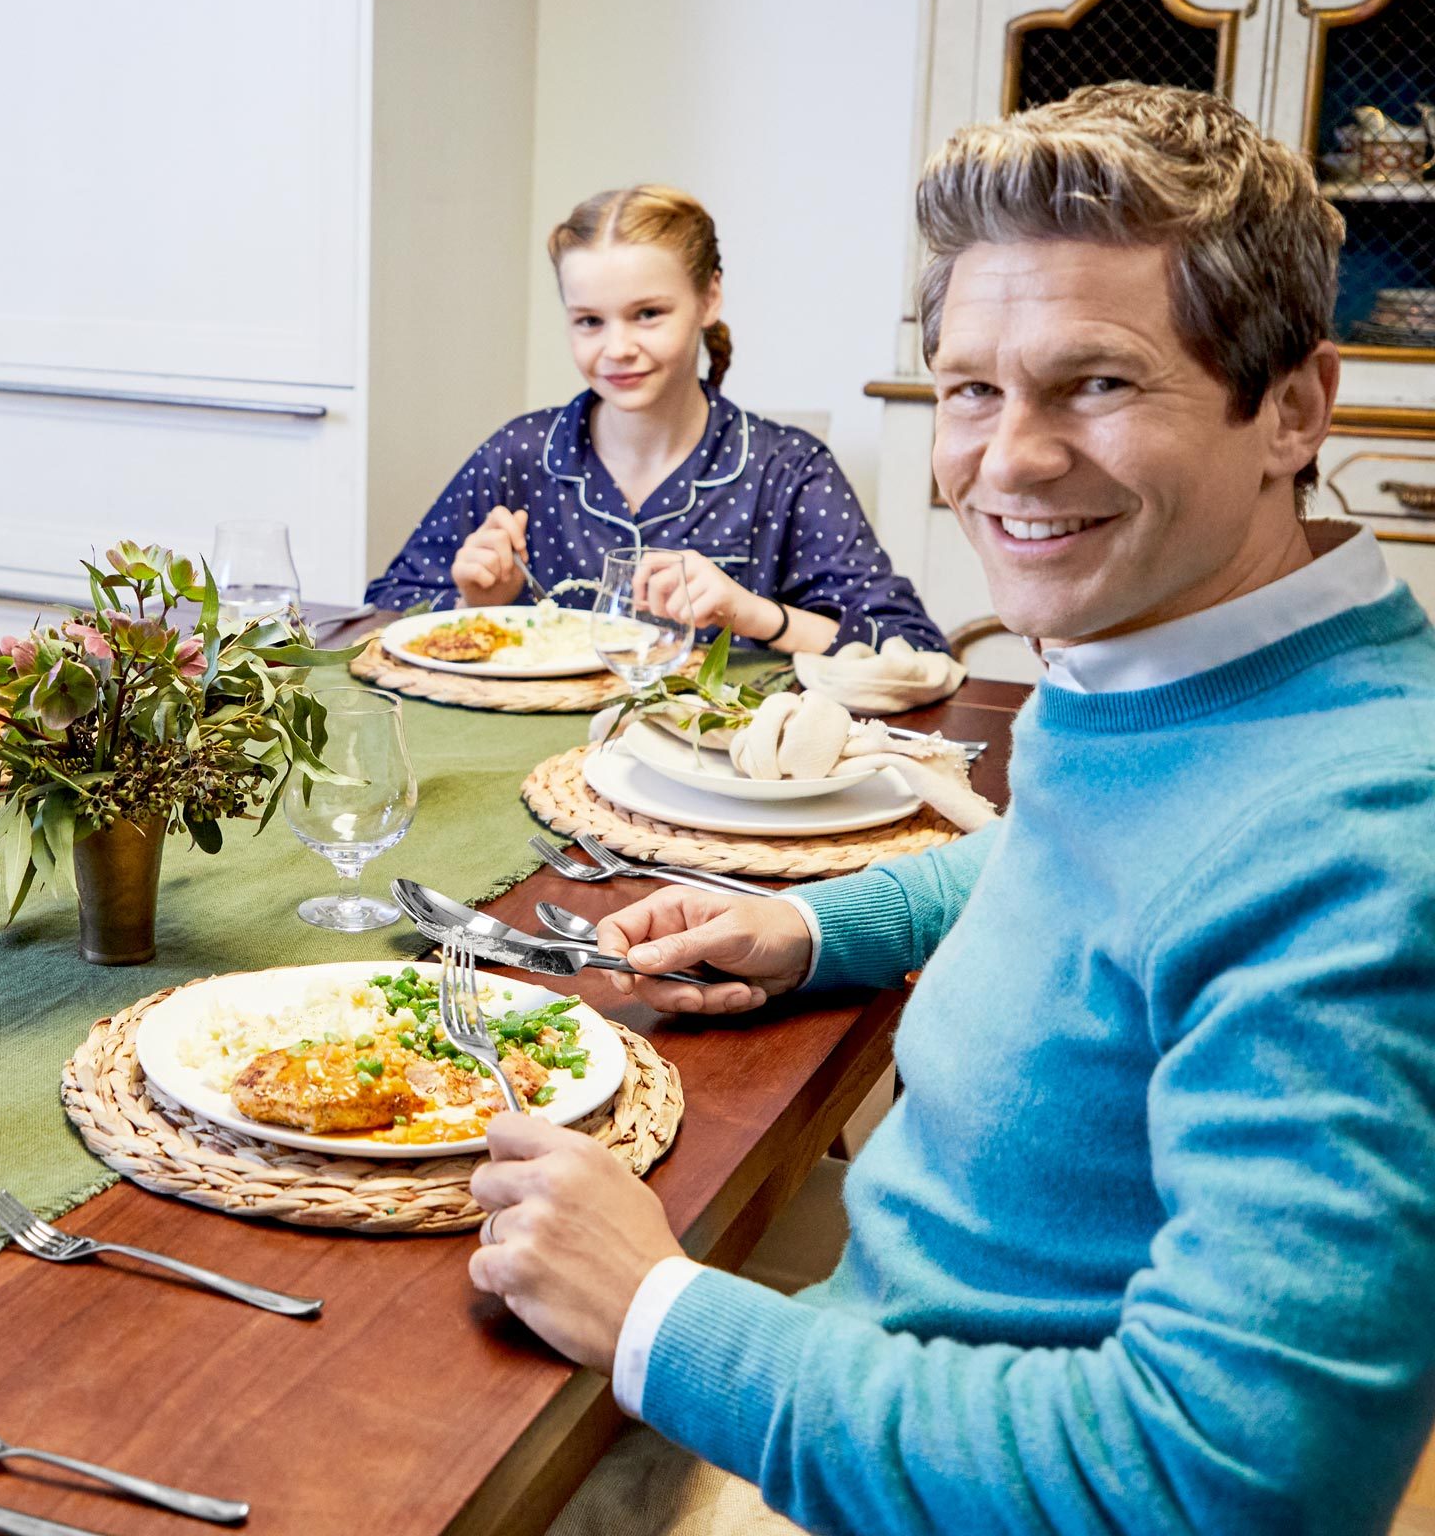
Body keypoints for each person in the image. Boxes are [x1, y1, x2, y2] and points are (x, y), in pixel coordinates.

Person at [472, 84, 1435, 1536]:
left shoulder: (1360, 843)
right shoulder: (1176, 658)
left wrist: (660, 1318)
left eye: (1096, 384)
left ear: (1292, 408)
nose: (1009, 460)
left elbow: (1223, 1489)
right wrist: (808, 925)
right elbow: (1062, 865)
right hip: (886, 1344)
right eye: (974, 388)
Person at [365, 186, 943, 654]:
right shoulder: (518, 453)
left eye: (647, 314)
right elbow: (384, 614)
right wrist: (476, 607)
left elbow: (912, 649)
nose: (617, 347)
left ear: (709, 298)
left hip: (710, 780)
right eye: (589, 321)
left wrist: (751, 613)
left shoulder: (787, 471)